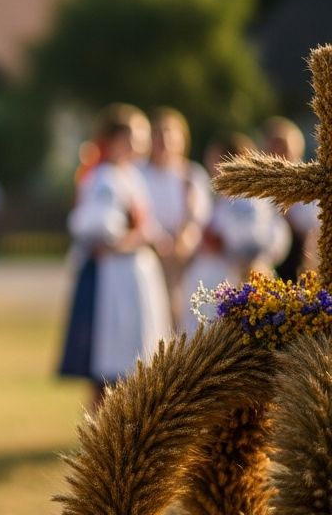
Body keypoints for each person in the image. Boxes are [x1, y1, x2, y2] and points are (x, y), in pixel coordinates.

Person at [58, 104, 171, 411]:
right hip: (113, 281)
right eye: (138, 137)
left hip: (130, 278)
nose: (144, 144)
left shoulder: (129, 175)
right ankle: (101, 432)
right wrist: (142, 238)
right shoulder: (105, 179)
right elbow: (100, 236)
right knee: (108, 366)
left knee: (132, 362)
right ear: (118, 140)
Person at [181, 133, 292, 330]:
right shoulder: (223, 198)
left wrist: (222, 243)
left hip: (234, 285)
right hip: (213, 284)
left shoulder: (247, 199)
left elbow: (256, 242)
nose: (211, 167)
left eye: (215, 160)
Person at [138, 108, 211, 330]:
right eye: (158, 134)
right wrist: (158, 239)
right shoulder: (139, 173)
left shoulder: (192, 175)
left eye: (170, 134)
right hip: (148, 251)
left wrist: (182, 242)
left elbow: (199, 218)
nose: (164, 141)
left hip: (183, 260)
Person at [261, 116, 318, 281]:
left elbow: (312, 229)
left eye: (284, 149)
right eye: (273, 149)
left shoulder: (310, 188)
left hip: (299, 266)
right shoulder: (253, 190)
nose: (279, 155)